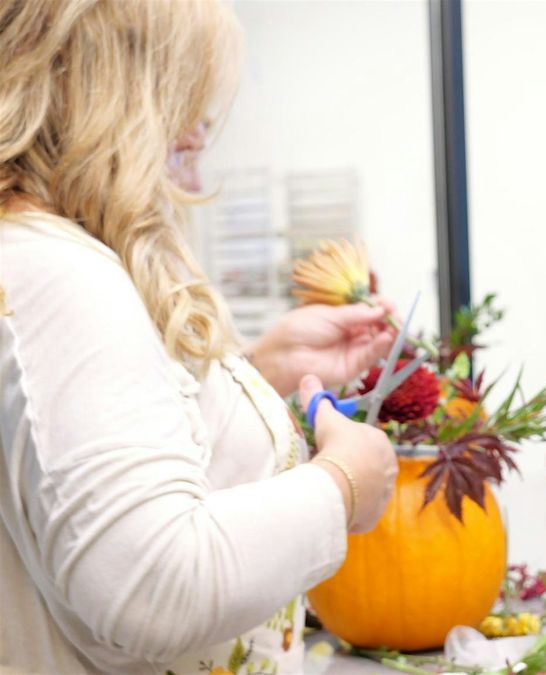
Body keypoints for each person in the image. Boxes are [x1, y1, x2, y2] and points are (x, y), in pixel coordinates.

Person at [0, 2, 398, 672]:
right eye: (181, 98)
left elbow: (88, 453)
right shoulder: (60, 274)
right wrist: (345, 485)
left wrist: (261, 373)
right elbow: (152, 586)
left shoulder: (43, 255)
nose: (196, 137)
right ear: (107, 92)